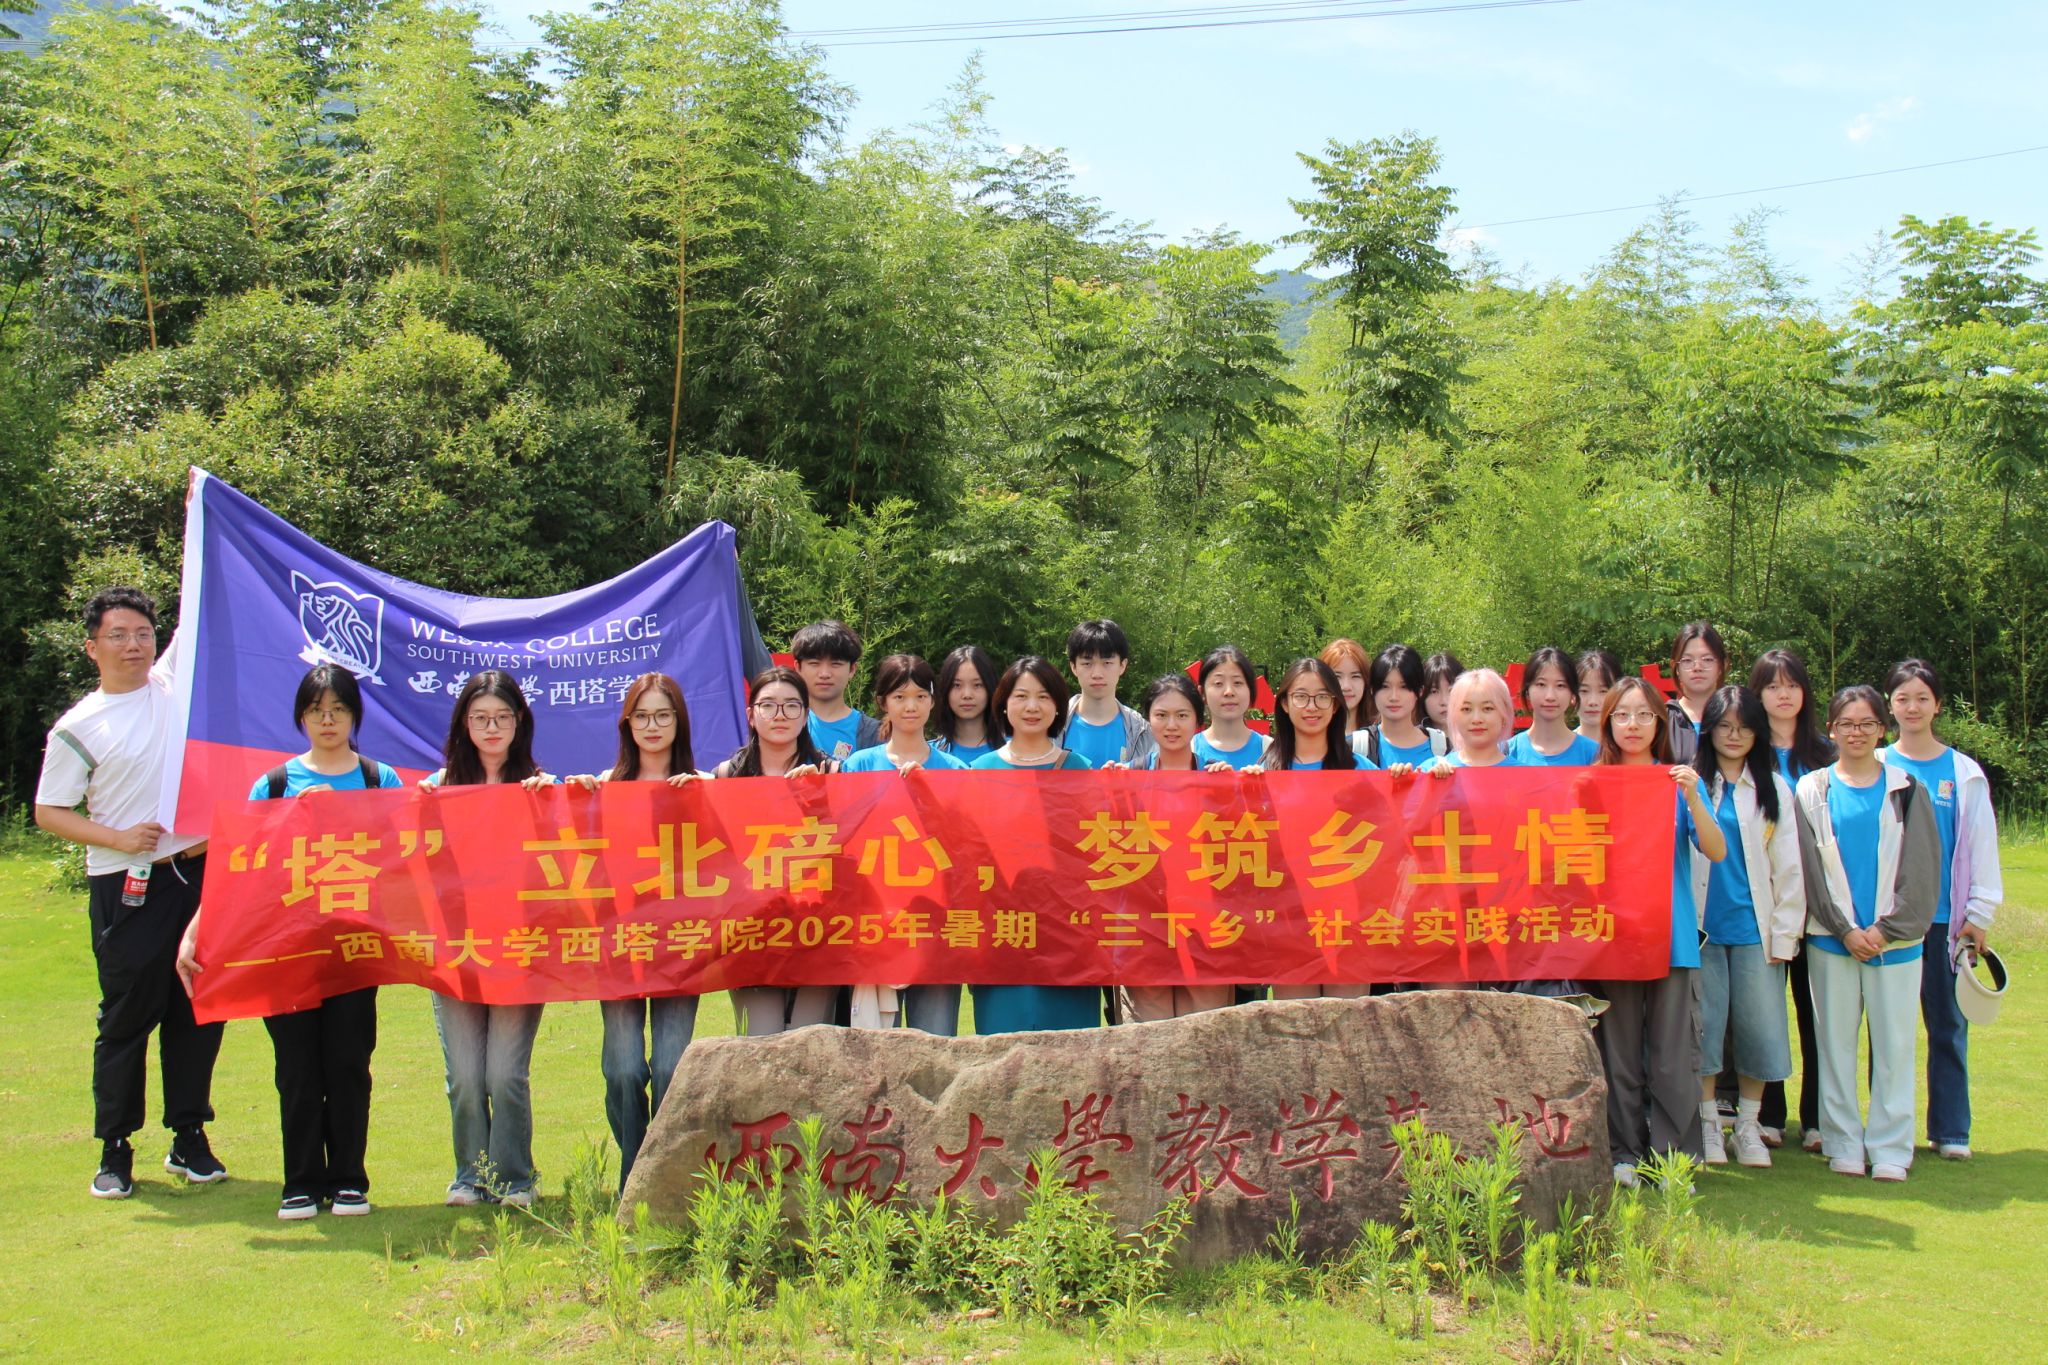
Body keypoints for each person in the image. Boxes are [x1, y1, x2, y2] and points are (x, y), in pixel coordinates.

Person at [173, 664, 401, 1218]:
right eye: (317, 711)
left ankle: (349, 1179)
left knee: (348, 1064)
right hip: (287, 949)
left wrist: (343, 819)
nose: (329, 720)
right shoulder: (274, 784)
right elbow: (238, 870)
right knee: (296, 1068)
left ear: (354, 716)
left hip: (353, 949)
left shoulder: (380, 780)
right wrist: (195, 931)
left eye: (339, 710)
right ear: (301, 717)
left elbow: (403, 860)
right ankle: (300, 1181)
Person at [34, 586, 226, 1201]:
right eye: (117, 635)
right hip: (127, 882)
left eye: (142, 633)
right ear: (92, 647)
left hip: (198, 873)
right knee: (127, 1014)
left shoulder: (172, 686)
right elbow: (48, 810)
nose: (133, 645)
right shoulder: (79, 725)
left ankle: (188, 1137)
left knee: (197, 1006)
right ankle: (115, 1148)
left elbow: (203, 599)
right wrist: (117, 837)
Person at [418, 671, 554, 1206]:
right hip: (456, 952)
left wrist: (556, 801)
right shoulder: (438, 787)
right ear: (464, 725)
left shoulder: (540, 787)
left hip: (519, 951)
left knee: (505, 1073)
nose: (491, 728)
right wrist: (418, 807)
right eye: (480, 718)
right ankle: (471, 1176)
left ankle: (515, 1178)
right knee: (466, 1078)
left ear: (519, 722)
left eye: (501, 717)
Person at [566, 674, 707, 1189]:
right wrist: (562, 797)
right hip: (620, 947)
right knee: (623, 1069)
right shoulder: (603, 786)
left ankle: (661, 1175)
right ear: (626, 724)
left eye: (663, 715)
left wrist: (704, 804)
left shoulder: (703, 785)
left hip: (682, 948)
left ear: (679, 722)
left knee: (671, 1066)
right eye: (641, 716)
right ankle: (635, 1170)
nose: (652, 726)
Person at [1796, 685, 1940, 1182]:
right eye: (1846, 724)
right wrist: (1844, 930)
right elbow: (1809, 872)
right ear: (1831, 730)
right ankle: (1843, 1143)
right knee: (1834, 1047)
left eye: (1866, 724)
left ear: (1882, 729)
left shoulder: (1907, 788)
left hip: (1894, 945)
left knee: (1895, 1047)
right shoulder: (1811, 789)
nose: (1855, 733)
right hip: (1831, 940)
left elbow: (1921, 870)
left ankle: (1891, 1148)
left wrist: (1884, 930)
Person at [1593, 677, 1726, 1187]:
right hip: (1612, 938)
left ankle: (1674, 1158)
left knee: (1673, 1056)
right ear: (1608, 722)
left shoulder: (1676, 781)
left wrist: (1693, 798)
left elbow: (1715, 850)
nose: (1633, 725)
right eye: (1622, 715)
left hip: (1671, 936)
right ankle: (1625, 1154)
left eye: (1644, 715)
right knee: (1619, 1054)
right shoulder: (1592, 781)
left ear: (1660, 723)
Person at [1879, 659, 2002, 1162]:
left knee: (1948, 1027)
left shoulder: (1963, 772)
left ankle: (1951, 1131)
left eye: (1922, 698)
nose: (1912, 707)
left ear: (1938, 705)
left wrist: (1979, 913)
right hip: (1890, 922)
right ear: (1889, 706)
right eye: (1902, 698)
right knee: (1888, 1032)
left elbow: (1980, 844)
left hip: (1946, 922)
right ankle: (1887, 1129)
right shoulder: (1877, 763)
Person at [1688, 686, 1804, 1170]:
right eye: (1724, 726)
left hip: (1756, 930)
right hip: (1703, 930)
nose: (1733, 736)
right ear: (1709, 731)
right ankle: (1708, 1125)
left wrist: (1786, 932)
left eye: (1744, 727)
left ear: (1758, 732)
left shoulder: (1774, 788)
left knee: (1761, 1029)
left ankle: (1750, 1125)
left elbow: (1790, 867)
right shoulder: (1692, 782)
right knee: (1705, 1030)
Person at [970, 657, 1100, 1033]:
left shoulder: (1081, 769)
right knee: (1003, 1042)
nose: (1032, 706)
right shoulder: (979, 772)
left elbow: (1094, 853)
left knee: (1071, 1043)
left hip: (1067, 932)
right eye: (1021, 696)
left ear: (1058, 706)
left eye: (1043, 696)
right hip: (1002, 930)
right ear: (1003, 704)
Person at [842, 654, 968, 1034]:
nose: (910, 706)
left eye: (919, 696)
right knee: (876, 1046)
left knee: (937, 1039)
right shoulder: (859, 765)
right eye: (899, 697)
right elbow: (844, 839)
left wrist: (929, 798)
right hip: (876, 923)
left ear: (932, 700)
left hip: (937, 924)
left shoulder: (956, 770)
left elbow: (966, 847)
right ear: (883, 702)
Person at [714, 667, 836, 1036]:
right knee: (761, 1040)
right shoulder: (727, 775)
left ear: (806, 714)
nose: (779, 715)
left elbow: (850, 846)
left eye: (791, 706)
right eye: (768, 705)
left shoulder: (831, 772)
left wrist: (822, 797)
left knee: (810, 1039)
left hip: (818, 930)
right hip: (751, 930)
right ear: (751, 715)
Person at [1749, 647, 1834, 1150]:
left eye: (1792, 684)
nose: (1783, 694)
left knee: (1816, 1012)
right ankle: (1770, 1114)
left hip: (1821, 906)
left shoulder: (1827, 754)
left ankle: (1819, 1116)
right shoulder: (1748, 753)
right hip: (1767, 902)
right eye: (1772, 685)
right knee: (1767, 1011)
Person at [1259, 659, 1371, 1001]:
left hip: (1349, 920)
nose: (1312, 707)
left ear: (1336, 705)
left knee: (1349, 1023)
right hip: (1288, 920)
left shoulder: (1361, 771)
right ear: (1284, 703)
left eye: (1323, 697)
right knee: (1296, 1024)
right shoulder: (1263, 773)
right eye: (1301, 696)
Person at [1063, 619, 1156, 769]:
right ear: (1074, 667)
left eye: (1107, 663)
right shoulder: (1053, 727)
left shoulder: (1142, 732)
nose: (1097, 674)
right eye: (1087, 663)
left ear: (1122, 665)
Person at [791, 620, 878, 764]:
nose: (824, 674)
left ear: (852, 669)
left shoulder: (872, 733)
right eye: (814, 663)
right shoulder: (784, 724)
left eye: (836, 664)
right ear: (798, 667)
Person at [1356, 644, 1449, 767]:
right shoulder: (1353, 748)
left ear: (1420, 691)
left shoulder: (1444, 749)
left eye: (1404, 687)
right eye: (1385, 686)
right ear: (1372, 690)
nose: (1394, 697)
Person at [1506, 647, 1599, 766]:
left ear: (1572, 693)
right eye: (1541, 684)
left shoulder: (1594, 754)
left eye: (1560, 685)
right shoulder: (1507, 752)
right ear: (1527, 691)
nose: (1550, 696)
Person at [1192, 645, 1270, 770]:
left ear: (1250, 690)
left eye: (1237, 683)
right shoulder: (1189, 750)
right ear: (1202, 693)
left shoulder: (1271, 750)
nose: (1229, 692)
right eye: (1218, 683)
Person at [1667, 622, 1727, 763]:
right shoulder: (1663, 720)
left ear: (1722, 666)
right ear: (1676, 668)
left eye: (1707, 659)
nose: (1697, 667)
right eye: (1687, 660)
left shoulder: (1738, 715)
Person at [1436, 667, 1519, 769]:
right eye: (1466, 709)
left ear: (1504, 714)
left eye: (1487, 708)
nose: (1476, 719)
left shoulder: (1525, 774)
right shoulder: (1430, 770)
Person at [932, 645, 1002, 764]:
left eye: (977, 685)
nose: (967, 695)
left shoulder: (1014, 753)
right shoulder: (928, 755)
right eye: (957, 685)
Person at [1136, 673, 1204, 773]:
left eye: (1182, 715)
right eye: (1161, 715)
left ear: (1197, 720)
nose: (1171, 726)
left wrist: (1226, 778)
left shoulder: (1214, 774)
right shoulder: (1130, 773)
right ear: (1148, 719)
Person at [1319, 637, 1375, 735]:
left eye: (1355, 676)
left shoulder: (1379, 737)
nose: (1346, 686)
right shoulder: (1308, 734)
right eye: (1337, 676)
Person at [1575, 649, 1622, 748]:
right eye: (1584, 691)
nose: (1593, 702)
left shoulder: (1631, 749)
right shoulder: (1559, 749)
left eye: (1603, 691)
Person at [1422, 651, 1465, 733]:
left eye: (1451, 690)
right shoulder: (1410, 739)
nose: (1444, 701)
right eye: (1434, 691)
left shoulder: (1484, 736)